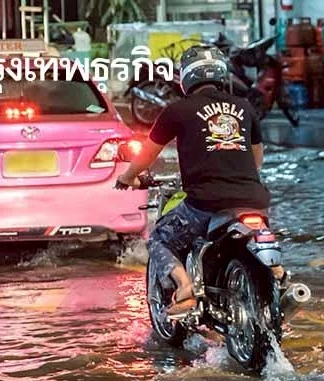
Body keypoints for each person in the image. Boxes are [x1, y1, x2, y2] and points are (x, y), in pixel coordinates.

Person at [115, 46, 271, 317]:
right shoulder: (245, 107)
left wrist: (127, 177)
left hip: (206, 203)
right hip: (255, 200)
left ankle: (185, 287)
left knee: (160, 238)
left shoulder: (177, 110)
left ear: (186, 77)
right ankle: (277, 274)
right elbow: (257, 159)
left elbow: (147, 155)